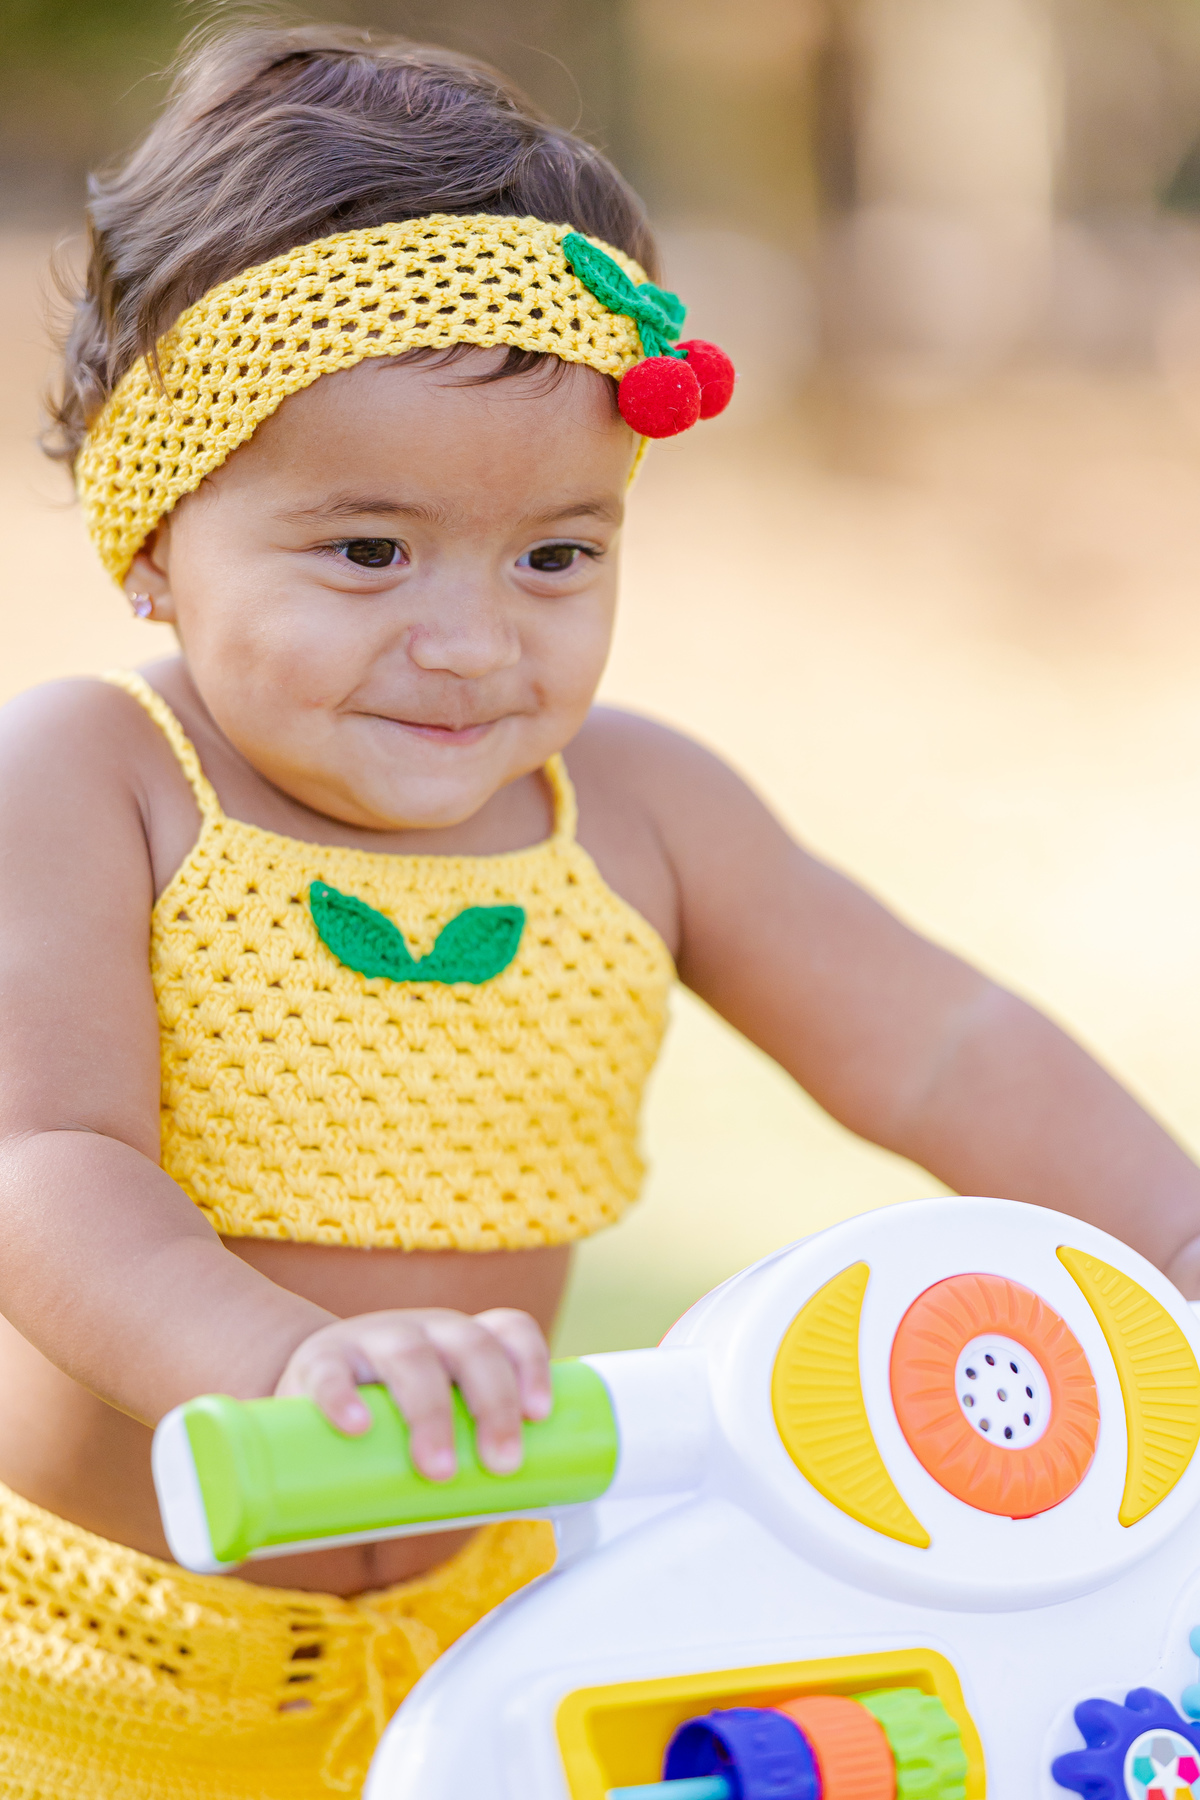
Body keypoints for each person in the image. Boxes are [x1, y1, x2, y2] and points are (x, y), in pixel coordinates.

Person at [0, 18, 1197, 1798]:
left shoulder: (635, 809)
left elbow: (946, 1045)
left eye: (557, 554)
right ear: (159, 536)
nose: (473, 640)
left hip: (511, 1633)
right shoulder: (99, 778)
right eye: (367, 551)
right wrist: (289, 1360)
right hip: (105, 1668)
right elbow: (43, 1161)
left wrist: (1171, 1235)